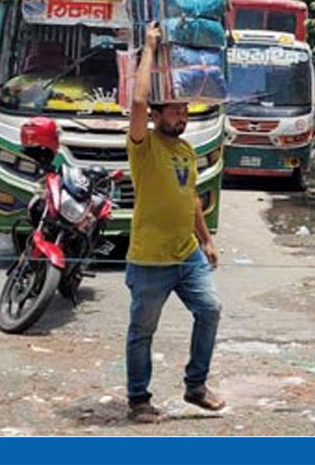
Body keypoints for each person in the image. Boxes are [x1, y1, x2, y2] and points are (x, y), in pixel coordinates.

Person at [124, 22, 224, 424]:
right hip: (150, 260)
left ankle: (195, 386)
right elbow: (136, 102)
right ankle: (138, 399)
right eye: (174, 111)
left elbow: (191, 198)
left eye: (184, 111)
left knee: (210, 309)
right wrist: (150, 48)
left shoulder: (185, 148)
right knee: (142, 332)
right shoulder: (143, 145)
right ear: (157, 114)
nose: (181, 116)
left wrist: (206, 239)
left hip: (187, 255)